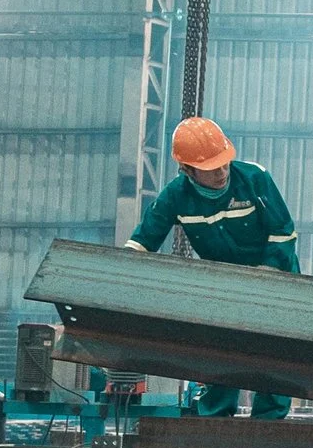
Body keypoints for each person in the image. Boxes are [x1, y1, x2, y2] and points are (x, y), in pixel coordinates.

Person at [125, 116, 299, 418]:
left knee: (275, 351)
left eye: (224, 162)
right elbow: (142, 242)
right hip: (224, 286)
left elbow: (283, 231)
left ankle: (269, 421)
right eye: (209, 168)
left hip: (274, 277)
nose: (220, 172)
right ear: (187, 170)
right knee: (222, 348)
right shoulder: (176, 196)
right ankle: (216, 418)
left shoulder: (255, 179)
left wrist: (269, 275)